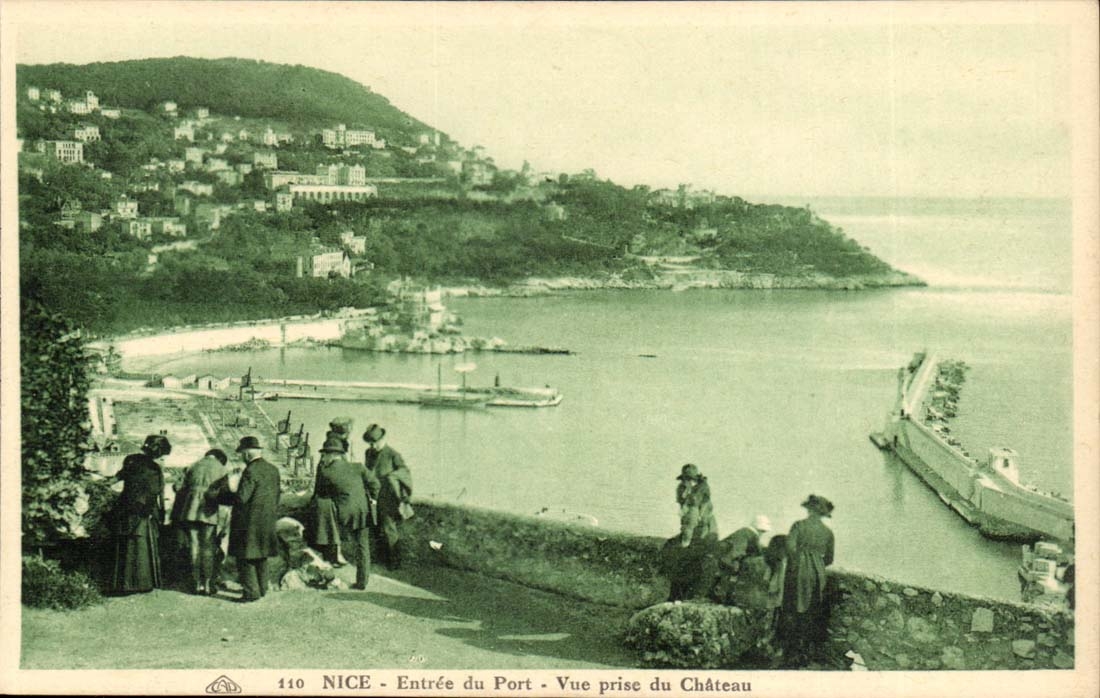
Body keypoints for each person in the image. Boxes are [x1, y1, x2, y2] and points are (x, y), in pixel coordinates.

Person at [214, 436, 281, 603]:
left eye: (242, 453)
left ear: (247, 453)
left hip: (248, 521)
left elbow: (242, 498)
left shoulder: (250, 470)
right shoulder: (273, 469)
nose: (241, 456)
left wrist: (222, 494)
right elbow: (277, 495)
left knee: (244, 557)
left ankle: (251, 592)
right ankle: (262, 589)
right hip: (267, 519)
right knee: (261, 556)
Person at [312, 435, 380, 589]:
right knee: (363, 548)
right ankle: (362, 582)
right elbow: (375, 484)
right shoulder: (358, 467)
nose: (323, 458)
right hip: (364, 511)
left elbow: (320, 494)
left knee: (328, 536)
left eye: (324, 455)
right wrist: (373, 499)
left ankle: (329, 574)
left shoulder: (326, 472)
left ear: (331, 455)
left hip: (344, 514)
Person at [778, 494, 835, 667]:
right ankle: (805, 652)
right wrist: (816, 563)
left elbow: (789, 547)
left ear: (809, 510)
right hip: (818, 574)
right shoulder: (828, 532)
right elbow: (830, 559)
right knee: (811, 609)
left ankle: (790, 651)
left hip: (799, 571)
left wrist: (798, 562)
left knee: (793, 607)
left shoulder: (799, 525)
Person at [110, 434, 170, 594]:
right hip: (143, 509)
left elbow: (117, 477)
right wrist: (150, 512)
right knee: (141, 544)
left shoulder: (131, 460)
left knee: (125, 544)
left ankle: (123, 583)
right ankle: (141, 583)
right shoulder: (154, 469)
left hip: (125, 505)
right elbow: (153, 492)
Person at [170, 448, 229, 595]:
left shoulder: (193, 466)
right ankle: (208, 585)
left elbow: (177, 487)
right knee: (208, 547)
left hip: (190, 511)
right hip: (209, 512)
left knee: (194, 546)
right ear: (220, 458)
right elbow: (226, 494)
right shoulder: (221, 468)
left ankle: (196, 584)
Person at [661, 463, 719, 601]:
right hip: (699, 529)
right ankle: (677, 594)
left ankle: (679, 596)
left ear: (692, 481)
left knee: (682, 557)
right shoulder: (685, 490)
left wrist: (685, 542)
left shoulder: (698, 494)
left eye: (687, 480)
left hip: (704, 532)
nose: (684, 484)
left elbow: (691, 522)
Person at [363, 424, 413, 570]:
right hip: (373, 496)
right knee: (376, 527)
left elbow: (404, 473)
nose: (373, 445)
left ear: (383, 439)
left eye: (375, 442)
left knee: (389, 529)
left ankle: (394, 561)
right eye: (370, 443)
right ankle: (381, 558)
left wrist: (401, 494)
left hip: (388, 497)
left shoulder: (393, 455)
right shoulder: (369, 453)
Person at [711, 514, 772, 604]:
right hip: (728, 560)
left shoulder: (746, 533)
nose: (762, 533)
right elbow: (737, 551)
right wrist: (735, 564)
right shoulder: (747, 534)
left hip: (724, 558)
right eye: (762, 531)